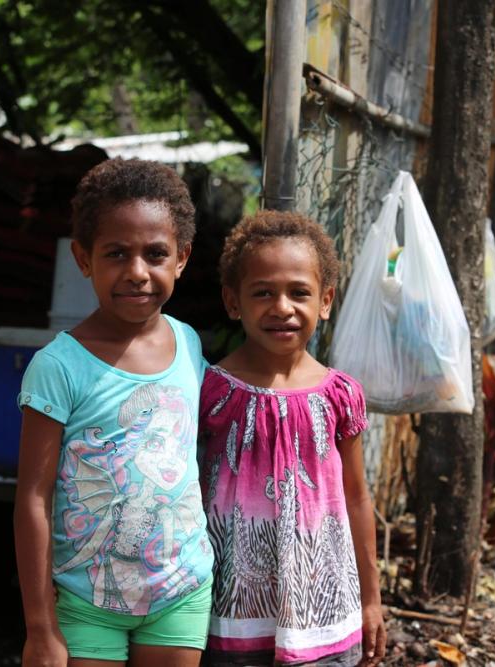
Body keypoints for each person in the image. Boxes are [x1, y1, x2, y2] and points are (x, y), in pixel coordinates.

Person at [14, 158, 213, 667]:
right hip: (87, 601)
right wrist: (41, 627)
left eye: (156, 254)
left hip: (181, 591)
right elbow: (33, 498)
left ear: (182, 258)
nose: (137, 272)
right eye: (117, 253)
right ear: (84, 259)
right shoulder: (59, 366)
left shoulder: (189, 344)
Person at [200, 211, 386, 667]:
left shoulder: (340, 395)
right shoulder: (209, 391)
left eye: (299, 292)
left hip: (325, 609)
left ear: (325, 301)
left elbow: (357, 498)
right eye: (263, 292)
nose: (281, 307)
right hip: (230, 612)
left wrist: (371, 599)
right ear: (232, 301)